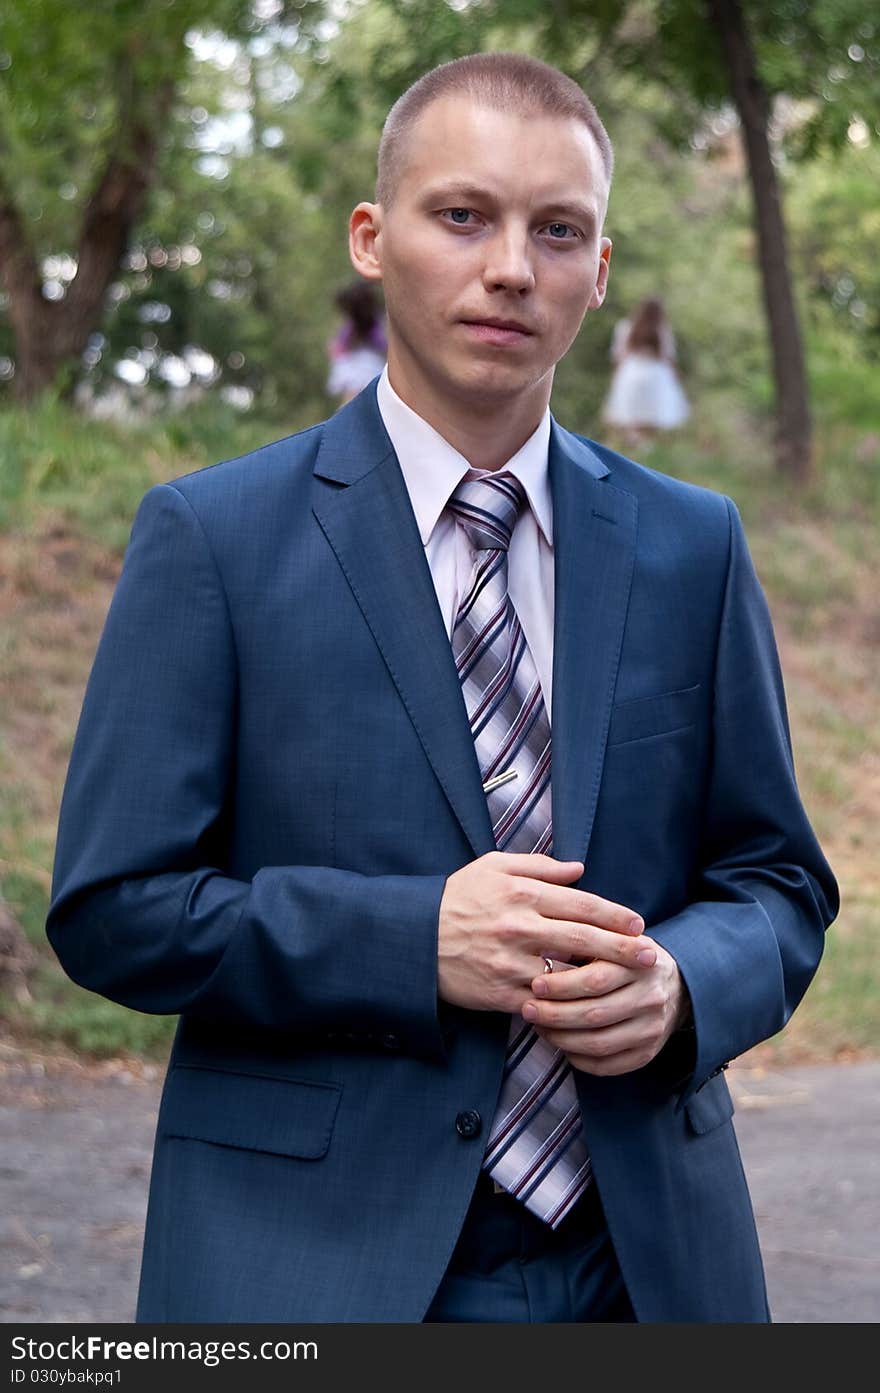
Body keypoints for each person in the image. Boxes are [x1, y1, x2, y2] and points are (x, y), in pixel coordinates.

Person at [47, 52, 837, 1323]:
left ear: (600, 270)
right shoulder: (215, 538)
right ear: (373, 237)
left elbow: (777, 882)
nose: (511, 266)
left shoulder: (694, 544)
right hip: (312, 1261)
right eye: (462, 215)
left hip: (645, 1264)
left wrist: (683, 983)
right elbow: (115, 908)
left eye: (557, 229)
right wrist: (414, 940)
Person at [602, 296, 690, 448]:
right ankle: (645, 447)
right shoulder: (661, 329)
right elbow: (667, 357)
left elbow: (619, 355)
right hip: (655, 374)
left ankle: (634, 444)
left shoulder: (626, 327)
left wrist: (616, 377)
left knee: (631, 414)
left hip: (631, 372)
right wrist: (676, 377)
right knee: (653, 415)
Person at [326, 279, 388, 406]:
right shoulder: (373, 325)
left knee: (350, 402)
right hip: (371, 366)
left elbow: (338, 348)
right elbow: (382, 345)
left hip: (351, 367)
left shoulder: (349, 328)